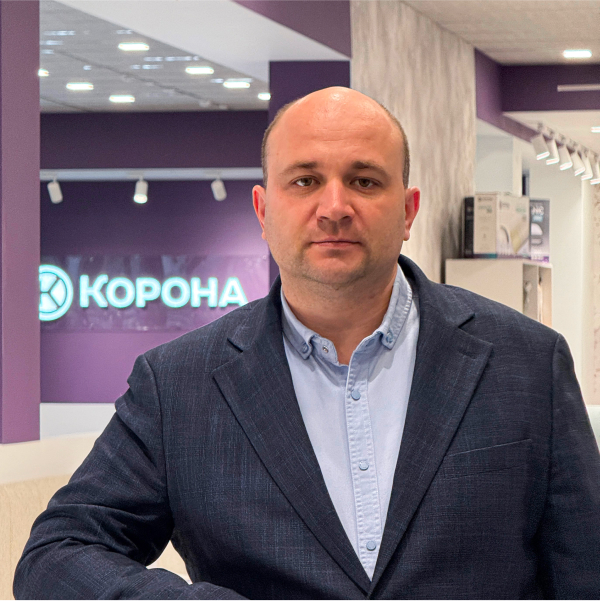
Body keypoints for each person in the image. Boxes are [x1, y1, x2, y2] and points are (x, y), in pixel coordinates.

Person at [14, 87, 600, 600]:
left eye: (364, 181)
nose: (335, 207)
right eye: (305, 181)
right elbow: (57, 555)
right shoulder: (178, 386)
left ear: (408, 211)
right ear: (263, 210)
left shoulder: (527, 363)